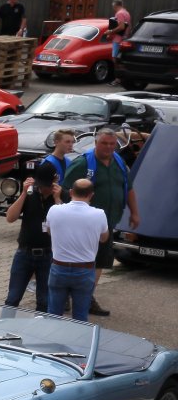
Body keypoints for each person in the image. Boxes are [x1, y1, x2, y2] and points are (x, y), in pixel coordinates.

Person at [63, 127, 139, 316]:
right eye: (104, 143)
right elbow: (65, 191)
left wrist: (134, 213)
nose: (108, 147)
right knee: (76, 260)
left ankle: (86, 297)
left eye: (112, 144)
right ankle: (64, 295)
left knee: (100, 262)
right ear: (96, 143)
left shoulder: (119, 162)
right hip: (83, 224)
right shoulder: (82, 164)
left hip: (107, 223)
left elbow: (128, 188)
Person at [45, 177, 110, 321]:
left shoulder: (54, 210)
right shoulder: (99, 214)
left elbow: (49, 231)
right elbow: (104, 238)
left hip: (59, 267)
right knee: (80, 317)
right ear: (91, 195)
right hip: (84, 270)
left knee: (53, 314)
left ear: (70, 192)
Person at [3, 161, 60, 311]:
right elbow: (10, 217)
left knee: (44, 301)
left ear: (55, 181)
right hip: (25, 253)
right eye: (40, 185)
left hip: (48, 255)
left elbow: (64, 225)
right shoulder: (30, 194)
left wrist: (57, 199)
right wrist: (23, 193)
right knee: (12, 298)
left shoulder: (61, 196)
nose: (43, 189)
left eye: (47, 185)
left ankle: (40, 325)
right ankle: (4, 324)